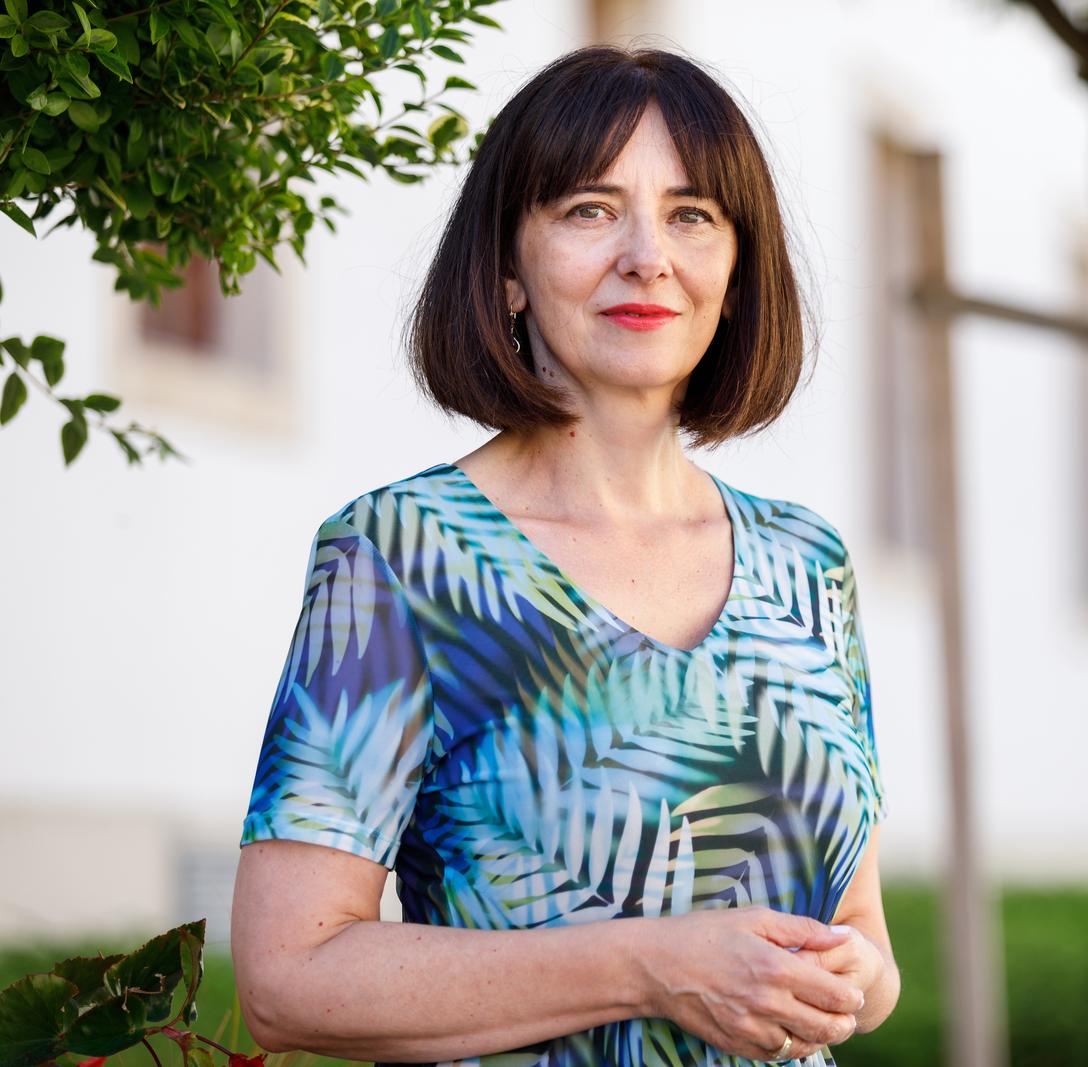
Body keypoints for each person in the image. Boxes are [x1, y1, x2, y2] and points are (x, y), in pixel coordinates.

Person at [230, 43, 894, 1067]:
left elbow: (866, 938)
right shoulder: (402, 557)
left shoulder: (808, 565)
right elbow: (288, 978)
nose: (646, 255)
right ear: (505, 272)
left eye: (692, 215)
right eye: (589, 209)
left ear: (736, 269)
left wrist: (848, 975)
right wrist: (649, 963)